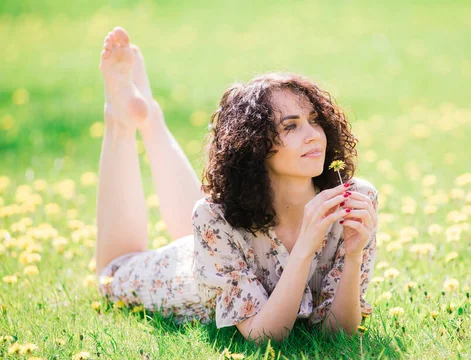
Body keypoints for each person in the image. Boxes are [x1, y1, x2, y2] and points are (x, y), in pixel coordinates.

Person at [94, 26, 379, 344]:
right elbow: (264, 336)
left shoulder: (354, 200)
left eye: (315, 120)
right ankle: (119, 117)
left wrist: (353, 257)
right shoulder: (215, 217)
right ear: (255, 143)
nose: (313, 134)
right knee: (112, 271)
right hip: (180, 278)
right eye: (291, 126)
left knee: (210, 220)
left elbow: (337, 334)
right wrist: (305, 246)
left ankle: (150, 117)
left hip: (221, 247)